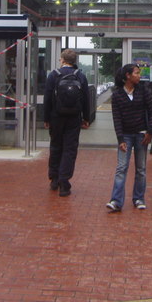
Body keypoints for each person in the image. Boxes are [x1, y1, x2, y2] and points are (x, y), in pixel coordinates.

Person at [106, 63, 152, 212]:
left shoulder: (143, 91)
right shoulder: (117, 95)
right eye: (136, 73)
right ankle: (116, 201)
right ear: (127, 76)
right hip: (126, 136)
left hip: (142, 135)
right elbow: (117, 119)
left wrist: (149, 131)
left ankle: (139, 198)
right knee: (121, 168)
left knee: (141, 168)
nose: (139, 76)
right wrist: (120, 139)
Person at [43, 49, 90, 196]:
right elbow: (86, 99)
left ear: (63, 59)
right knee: (69, 149)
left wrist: (46, 118)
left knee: (56, 146)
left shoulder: (53, 75)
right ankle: (65, 183)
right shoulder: (80, 76)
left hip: (56, 117)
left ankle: (54, 179)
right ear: (74, 61)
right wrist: (86, 118)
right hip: (74, 118)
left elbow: (47, 99)